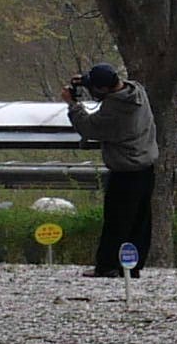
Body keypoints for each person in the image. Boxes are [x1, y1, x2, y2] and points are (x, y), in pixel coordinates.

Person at [65, 62, 158, 278]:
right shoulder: (136, 90)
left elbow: (88, 127)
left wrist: (73, 104)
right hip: (146, 168)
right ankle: (132, 267)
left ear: (104, 88)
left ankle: (107, 265)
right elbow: (107, 89)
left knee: (117, 221)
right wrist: (86, 81)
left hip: (126, 172)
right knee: (140, 222)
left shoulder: (117, 112)